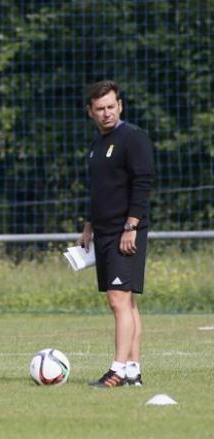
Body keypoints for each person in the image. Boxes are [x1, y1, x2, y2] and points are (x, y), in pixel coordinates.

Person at [78, 80, 155, 388]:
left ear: (120, 106)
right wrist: (88, 224)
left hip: (126, 231)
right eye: (100, 109)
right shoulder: (97, 146)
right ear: (90, 112)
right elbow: (99, 189)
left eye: (111, 106)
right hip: (104, 231)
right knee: (127, 302)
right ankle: (133, 371)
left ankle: (117, 371)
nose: (107, 113)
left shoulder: (133, 138)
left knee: (118, 299)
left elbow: (143, 182)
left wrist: (131, 225)